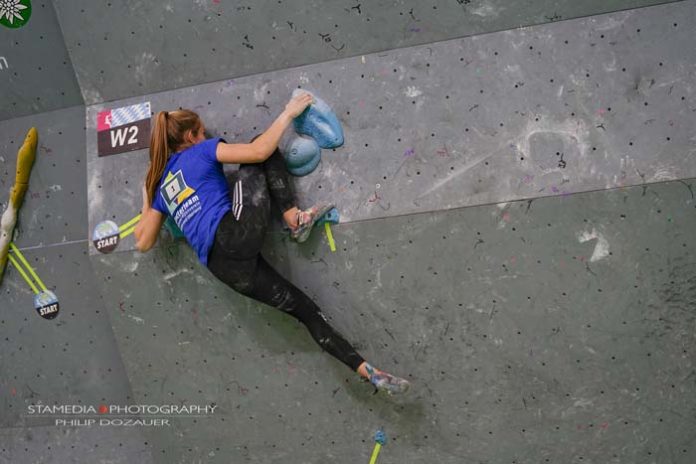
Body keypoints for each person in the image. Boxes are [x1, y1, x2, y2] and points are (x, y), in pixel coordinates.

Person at [133, 92, 410, 395]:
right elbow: (259, 150)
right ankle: (294, 218)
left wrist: (148, 194)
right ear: (190, 137)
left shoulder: (161, 187)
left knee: (305, 311)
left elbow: (144, 241)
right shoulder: (199, 152)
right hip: (233, 234)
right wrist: (289, 112)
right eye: (201, 132)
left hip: (225, 270)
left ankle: (371, 373)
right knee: (260, 143)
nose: (206, 136)